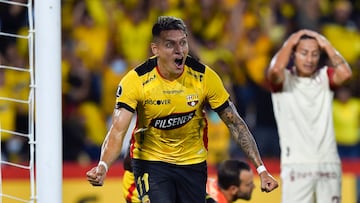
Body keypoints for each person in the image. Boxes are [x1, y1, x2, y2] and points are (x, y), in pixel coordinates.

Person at [86, 16, 278, 203]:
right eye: (170, 45)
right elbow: (117, 131)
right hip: (152, 162)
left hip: (192, 163)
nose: (180, 51)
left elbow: (235, 123)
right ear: (156, 49)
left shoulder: (204, 77)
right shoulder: (135, 81)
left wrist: (261, 170)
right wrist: (103, 166)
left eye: (183, 43)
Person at [266, 29, 352, 203]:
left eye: (314, 54)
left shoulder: (325, 76)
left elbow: (345, 74)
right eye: (304, 53)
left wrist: (326, 44)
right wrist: (290, 41)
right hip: (297, 164)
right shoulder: (285, 80)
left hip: (328, 162)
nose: (310, 59)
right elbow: (274, 70)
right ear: (294, 54)